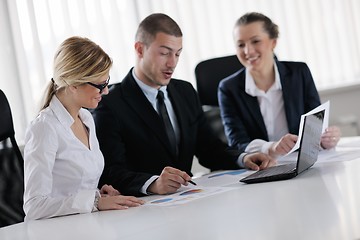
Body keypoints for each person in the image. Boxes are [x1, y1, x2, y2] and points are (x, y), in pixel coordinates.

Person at [92, 13, 275, 197]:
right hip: (143, 209)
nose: (172, 63)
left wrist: (242, 158)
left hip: (188, 200)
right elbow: (110, 172)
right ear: (140, 50)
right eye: (164, 53)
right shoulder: (110, 104)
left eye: (177, 54)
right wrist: (153, 183)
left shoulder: (185, 91)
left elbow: (209, 148)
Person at [23, 36, 144, 221]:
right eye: (100, 85)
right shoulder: (45, 128)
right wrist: (94, 202)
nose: (106, 91)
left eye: (107, 82)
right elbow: (34, 206)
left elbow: (73, 189)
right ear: (73, 84)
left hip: (87, 224)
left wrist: (98, 195)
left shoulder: (86, 118)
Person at [218, 12, 341, 158]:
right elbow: (237, 142)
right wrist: (271, 148)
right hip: (261, 166)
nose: (248, 51)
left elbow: (314, 126)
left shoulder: (299, 73)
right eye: (241, 44)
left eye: (255, 41)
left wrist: (325, 139)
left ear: (273, 42)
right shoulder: (228, 88)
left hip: (300, 160)